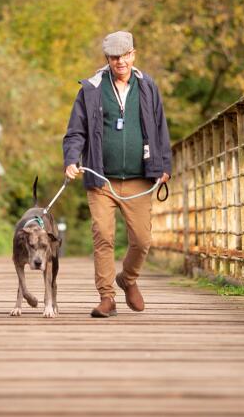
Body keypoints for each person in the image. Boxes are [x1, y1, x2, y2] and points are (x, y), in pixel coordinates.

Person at [63, 31, 172, 318]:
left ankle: (128, 279)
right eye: (114, 57)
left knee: (142, 240)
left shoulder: (147, 86)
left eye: (125, 55)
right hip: (102, 178)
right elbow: (76, 131)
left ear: (133, 55)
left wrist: (164, 167)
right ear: (107, 59)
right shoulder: (92, 88)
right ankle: (107, 297)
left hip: (140, 178)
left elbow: (161, 128)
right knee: (103, 236)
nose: (120, 61)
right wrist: (72, 159)